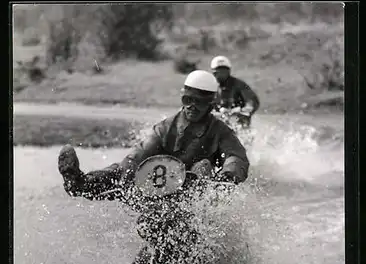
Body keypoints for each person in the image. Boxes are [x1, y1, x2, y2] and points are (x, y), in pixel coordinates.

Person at [58, 70, 250, 201]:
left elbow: (236, 157)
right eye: (187, 100)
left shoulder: (221, 131)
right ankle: (80, 183)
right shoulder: (166, 127)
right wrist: (127, 170)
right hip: (161, 191)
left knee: (203, 166)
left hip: (196, 193)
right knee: (122, 171)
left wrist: (228, 176)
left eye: (199, 102)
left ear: (210, 104)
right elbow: (138, 155)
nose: (192, 106)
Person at [210, 55, 260, 126]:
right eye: (218, 72)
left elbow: (252, 101)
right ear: (213, 73)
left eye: (224, 71)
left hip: (239, 125)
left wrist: (241, 111)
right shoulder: (210, 87)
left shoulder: (239, 85)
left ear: (229, 71)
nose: (221, 74)